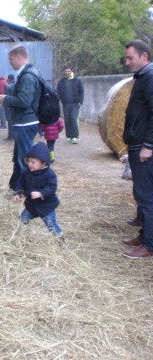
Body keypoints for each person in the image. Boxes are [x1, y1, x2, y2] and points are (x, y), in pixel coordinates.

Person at [120, 39, 153, 259]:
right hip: (137, 145)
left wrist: (148, 145)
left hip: (143, 147)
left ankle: (149, 245)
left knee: (146, 197)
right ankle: (145, 235)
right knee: (142, 196)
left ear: (144, 56)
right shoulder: (142, 77)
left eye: (130, 57)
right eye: (126, 58)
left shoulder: (149, 78)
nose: (127, 62)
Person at [0, 45, 41, 190]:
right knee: (18, 158)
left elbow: (24, 101)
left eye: (11, 59)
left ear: (18, 57)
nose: (10, 62)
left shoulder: (27, 76)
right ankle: (15, 187)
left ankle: (24, 191)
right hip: (25, 122)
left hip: (26, 122)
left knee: (24, 160)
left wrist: (5, 98)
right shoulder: (28, 73)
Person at [12, 142, 65, 241]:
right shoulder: (27, 172)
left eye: (33, 162)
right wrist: (18, 193)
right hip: (32, 206)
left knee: (51, 226)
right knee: (22, 220)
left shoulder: (49, 174)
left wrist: (41, 193)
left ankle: (61, 242)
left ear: (43, 163)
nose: (29, 164)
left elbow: (51, 187)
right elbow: (20, 182)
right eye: (28, 161)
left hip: (46, 207)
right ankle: (23, 238)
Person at [56, 66, 84, 144]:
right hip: (66, 104)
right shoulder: (61, 82)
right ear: (64, 72)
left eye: (68, 71)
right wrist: (56, 101)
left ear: (71, 71)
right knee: (67, 120)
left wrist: (80, 102)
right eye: (66, 71)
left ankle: (75, 137)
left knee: (73, 119)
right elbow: (58, 92)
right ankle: (69, 136)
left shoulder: (77, 80)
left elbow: (82, 91)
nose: (67, 73)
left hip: (75, 104)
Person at [3, 74, 16, 140]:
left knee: (10, 121)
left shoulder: (7, 86)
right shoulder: (17, 84)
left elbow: (6, 96)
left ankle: (11, 135)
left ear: (9, 78)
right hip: (16, 105)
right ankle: (15, 135)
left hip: (8, 105)